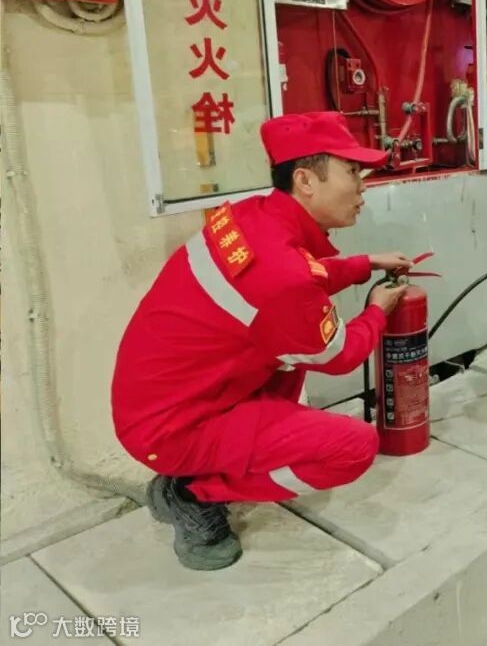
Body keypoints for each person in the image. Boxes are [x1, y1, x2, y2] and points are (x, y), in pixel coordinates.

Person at [111, 111, 417, 571]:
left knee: (289, 357)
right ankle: (191, 493)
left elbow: (294, 277)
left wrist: (363, 264)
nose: (362, 187)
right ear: (305, 180)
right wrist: (377, 310)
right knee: (352, 448)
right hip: (171, 428)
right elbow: (338, 353)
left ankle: (209, 469)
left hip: (167, 397)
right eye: (352, 171)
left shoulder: (251, 215)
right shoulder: (281, 273)